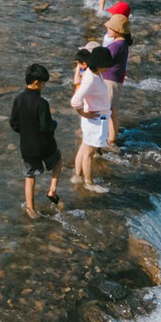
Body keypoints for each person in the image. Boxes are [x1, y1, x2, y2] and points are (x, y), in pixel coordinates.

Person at [10, 64, 61, 218]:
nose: (44, 86)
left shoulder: (18, 99)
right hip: (45, 146)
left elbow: (14, 123)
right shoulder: (42, 103)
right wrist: (54, 124)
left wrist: (25, 131)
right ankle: (52, 190)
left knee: (30, 175)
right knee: (58, 160)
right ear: (36, 83)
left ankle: (30, 208)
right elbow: (46, 128)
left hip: (27, 147)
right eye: (44, 83)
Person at [69, 44, 113, 193]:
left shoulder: (94, 73)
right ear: (100, 65)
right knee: (89, 152)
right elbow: (75, 101)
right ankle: (88, 182)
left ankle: (78, 175)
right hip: (94, 119)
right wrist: (83, 113)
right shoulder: (91, 79)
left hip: (97, 116)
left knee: (84, 147)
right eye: (107, 65)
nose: (108, 68)